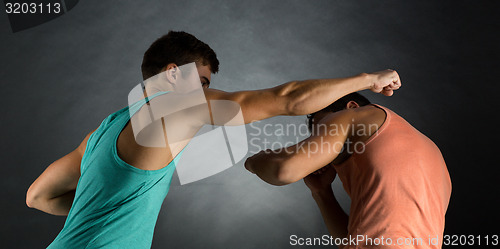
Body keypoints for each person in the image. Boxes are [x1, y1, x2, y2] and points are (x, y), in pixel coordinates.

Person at [26, 31, 401, 248]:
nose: (207, 92)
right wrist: (368, 78)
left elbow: (38, 197)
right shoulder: (172, 110)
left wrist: (109, 207)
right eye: (202, 82)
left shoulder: (102, 131)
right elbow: (288, 100)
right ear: (173, 75)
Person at [245, 92, 451, 248]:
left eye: (323, 131)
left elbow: (283, 171)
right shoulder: (432, 154)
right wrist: (321, 192)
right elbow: (357, 238)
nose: (324, 147)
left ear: (351, 107)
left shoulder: (359, 115)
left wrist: (255, 162)